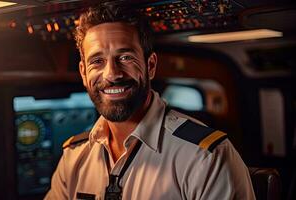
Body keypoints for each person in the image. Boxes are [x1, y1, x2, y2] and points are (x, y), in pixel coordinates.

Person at [45, 3, 255, 200]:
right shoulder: (73, 159)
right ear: (83, 72)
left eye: (125, 57)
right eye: (97, 61)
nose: (112, 74)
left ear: (151, 65)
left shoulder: (205, 158)